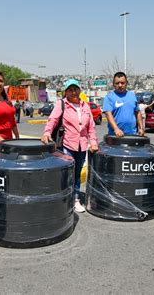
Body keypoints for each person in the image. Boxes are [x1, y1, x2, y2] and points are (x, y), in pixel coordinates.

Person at [41, 79, 98, 213]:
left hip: (82, 145)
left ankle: (75, 199)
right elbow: (53, 120)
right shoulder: (62, 104)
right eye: (70, 90)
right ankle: (63, 199)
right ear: (66, 92)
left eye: (76, 89)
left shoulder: (85, 106)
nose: (74, 92)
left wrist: (93, 142)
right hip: (68, 144)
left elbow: (91, 127)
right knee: (67, 173)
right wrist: (47, 132)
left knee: (77, 173)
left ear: (79, 90)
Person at [102, 72, 144, 137]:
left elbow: (137, 112)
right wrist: (116, 129)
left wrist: (141, 128)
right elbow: (108, 114)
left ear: (126, 83)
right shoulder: (109, 97)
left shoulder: (132, 96)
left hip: (132, 135)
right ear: (113, 84)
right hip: (115, 136)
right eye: (117, 83)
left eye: (122, 83)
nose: (120, 85)